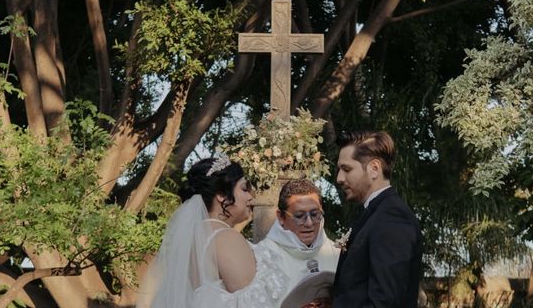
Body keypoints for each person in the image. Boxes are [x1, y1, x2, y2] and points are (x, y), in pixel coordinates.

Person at [137, 154, 286, 307]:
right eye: (244, 189)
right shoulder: (225, 238)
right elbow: (255, 303)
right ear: (222, 195)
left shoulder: (190, 239)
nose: (250, 197)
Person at [333, 130, 422, 308]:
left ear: (374, 169)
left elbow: (384, 301)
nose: (339, 178)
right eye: (339, 170)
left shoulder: (392, 218)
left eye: (347, 169)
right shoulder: (374, 214)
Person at [255, 179, 340, 307]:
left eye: (315, 214)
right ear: (280, 217)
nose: (309, 223)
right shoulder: (262, 257)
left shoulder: (337, 253)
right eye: (299, 216)